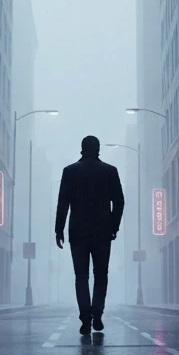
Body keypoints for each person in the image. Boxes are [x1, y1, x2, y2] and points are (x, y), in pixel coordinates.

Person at [55, 135, 124, 333]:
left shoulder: (70, 172)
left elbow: (63, 203)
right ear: (98, 149)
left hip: (78, 232)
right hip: (102, 232)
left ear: (82, 149)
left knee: (81, 276)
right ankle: (98, 315)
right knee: (101, 275)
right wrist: (113, 226)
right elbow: (119, 201)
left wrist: (59, 229)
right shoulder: (110, 171)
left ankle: (85, 318)